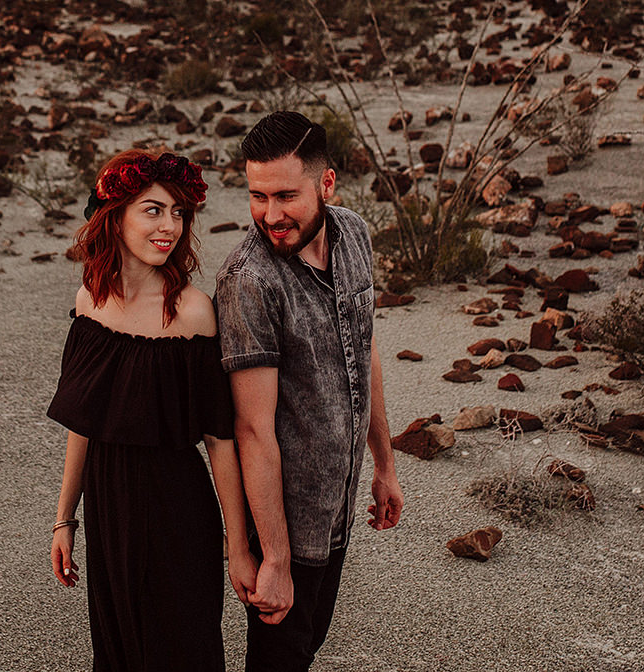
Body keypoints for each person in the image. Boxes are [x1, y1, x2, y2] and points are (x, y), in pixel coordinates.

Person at [47, 149, 256, 672]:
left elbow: (219, 440)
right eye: (153, 210)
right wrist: (63, 519)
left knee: (185, 650)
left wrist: (238, 543)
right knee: (118, 651)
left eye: (179, 213)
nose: (170, 226)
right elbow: (84, 421)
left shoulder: (194, 311)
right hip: (107, 505)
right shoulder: (89, 300)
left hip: (178, 507)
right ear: (114, 217)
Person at [215, 112, 403, 672]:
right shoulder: (249, 282)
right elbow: (252, 428)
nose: (270, 215)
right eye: (257, 196)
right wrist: (272, 557)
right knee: (280, 661)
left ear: (326, 183)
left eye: (285, 196)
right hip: (286, 522)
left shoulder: (353, 234)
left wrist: (384, 464)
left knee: (306, 649)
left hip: (338, 505)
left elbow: (362, 347)